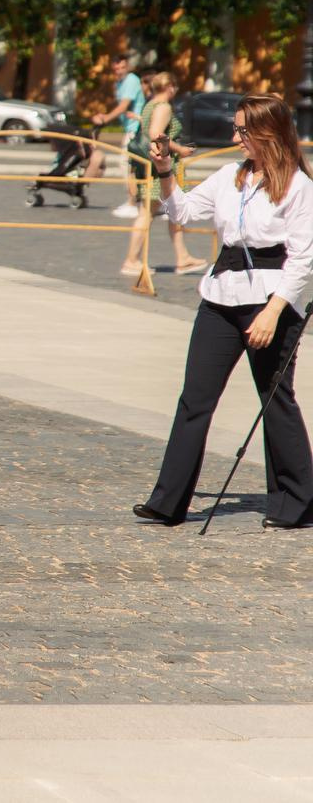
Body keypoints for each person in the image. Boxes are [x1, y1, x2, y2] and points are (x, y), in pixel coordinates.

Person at [135, 93, 313, 529]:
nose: (236, 138)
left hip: (271, 302)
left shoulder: (298, 186)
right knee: (194, 399)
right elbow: (183, 212)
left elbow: (304, 258)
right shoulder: (229, 177)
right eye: (236, 129)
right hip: (219, 298)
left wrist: (273, 313)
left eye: (242, 130)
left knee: (276, 401)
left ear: (267, 133)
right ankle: (168, 502)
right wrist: (164, 171)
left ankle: (297, 503)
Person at [119, 72, 208, 278]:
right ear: (170, 87)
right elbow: (155, 134)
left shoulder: (150, 104)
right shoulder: (164, 106)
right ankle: (131, 260)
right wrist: (180, 150)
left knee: (174, 212)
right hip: (162, 167)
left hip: (157, 166)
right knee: (148, 213)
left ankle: (182, 257)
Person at [94, 55, 146, 220]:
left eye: (122, 67)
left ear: (128, 66)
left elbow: (123, 106)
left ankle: (133, 203)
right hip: (130, 128)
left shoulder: (130, 80)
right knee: (133, 166)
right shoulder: (120, 82)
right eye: (116, 68)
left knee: (126, 165)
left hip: (135, 129)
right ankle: (137, 201)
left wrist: (105, 119)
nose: (119, 71)